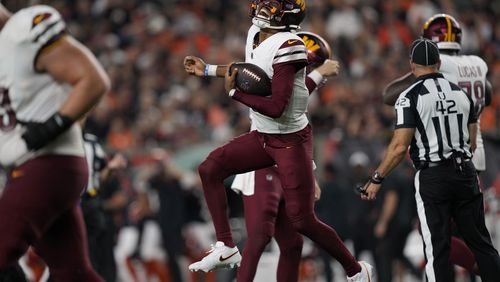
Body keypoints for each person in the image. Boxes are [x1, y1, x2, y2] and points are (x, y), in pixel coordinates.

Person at [184, 1, 373, 281]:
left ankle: (356, 270)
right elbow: (247, 71)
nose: (264, 6)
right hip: (262, 135)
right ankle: (226, 246)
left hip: (289, 141)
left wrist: (235, 94)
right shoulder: (255, 33)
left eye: (273, 4)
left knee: (302, 222)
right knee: (209, 168)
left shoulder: (291, 44)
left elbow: (277, 108)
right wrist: (208, 70)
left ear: (288, 13)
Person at [361, 38, 500, 282]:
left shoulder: (409, 96)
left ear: (412, 65)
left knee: (437, 248)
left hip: (433, 175)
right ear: (438, 63)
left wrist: (377, 177)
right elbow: (472, 141)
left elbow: (398, 146)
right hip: (466, 173)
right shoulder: (462, 93)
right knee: (481, 244)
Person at [0, 4, 110, 282]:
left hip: (46, 164)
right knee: (72, 272)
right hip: (40, 170)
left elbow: (92, 80)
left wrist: (42, 133)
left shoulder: (23, 29)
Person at [383, 14, 492, 174]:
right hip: (476, 152)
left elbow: (389, 95)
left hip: (449, 155)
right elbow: (487, 97)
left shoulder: (440, 62)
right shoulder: (476, 62)